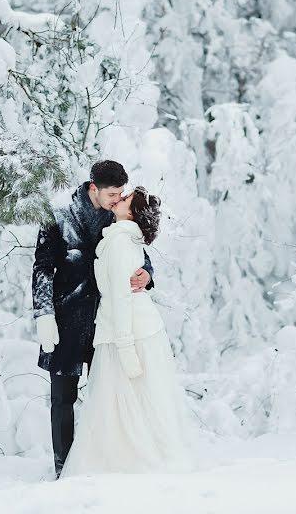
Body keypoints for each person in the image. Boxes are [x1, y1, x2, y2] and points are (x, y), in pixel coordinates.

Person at [32, 161, 155, 479]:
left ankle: (107, 462)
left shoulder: (117, 215)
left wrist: (147, 274)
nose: (117, 200)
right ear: (93, 188)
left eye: (121, 194)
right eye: (112, 194)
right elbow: (42, 267)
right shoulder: (58, 214)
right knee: (62, 397)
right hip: (66, 319)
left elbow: (137, 249)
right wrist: (44, 314)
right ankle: (64, 469)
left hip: (108, 320)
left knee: (111, 394)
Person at [60, 187, 190, 477]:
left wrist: (125, 347)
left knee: (120, 402)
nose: (119, 199)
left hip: (127, 331)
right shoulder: (123, 235)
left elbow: (120, 298)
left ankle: (126, 464)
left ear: (132, 212)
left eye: (126, 197)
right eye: (119, 194)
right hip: (132, 327)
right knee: (131, 402)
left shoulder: (120, 240)